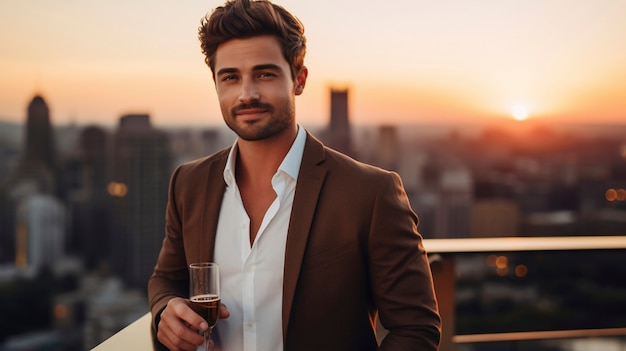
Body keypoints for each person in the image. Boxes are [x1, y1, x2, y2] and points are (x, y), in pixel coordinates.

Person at [148, 0, 441, 350]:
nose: (247, 94)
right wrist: (166, 308)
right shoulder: (188, 183)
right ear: (216, 84)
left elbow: (416, 328)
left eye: (265, 74)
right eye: (230, 77)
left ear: (299, 79)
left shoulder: (369, 192)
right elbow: (167, 278)